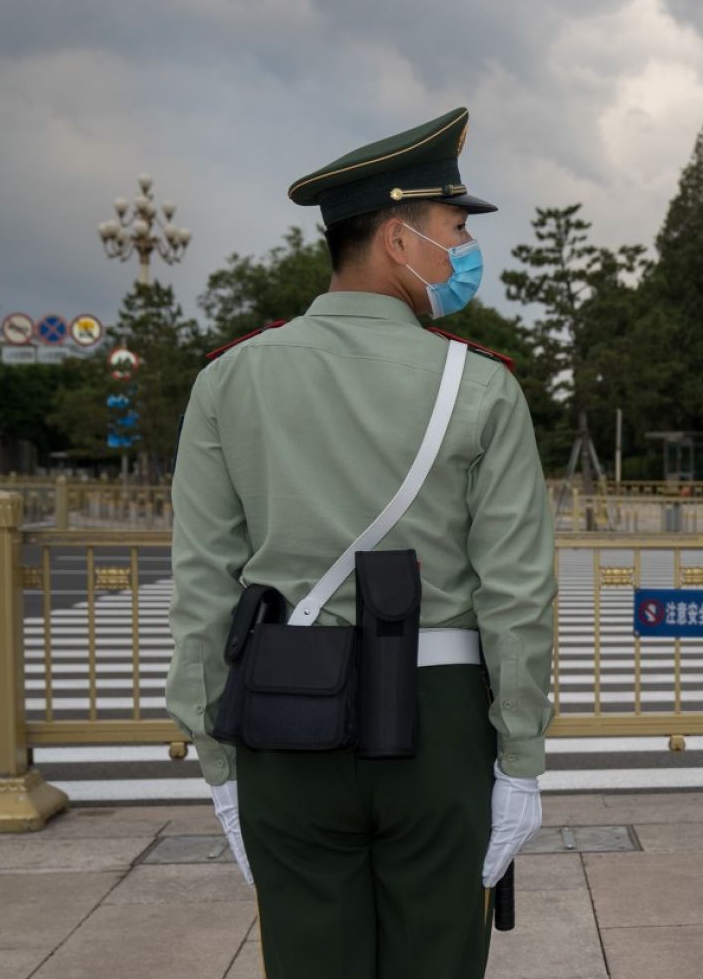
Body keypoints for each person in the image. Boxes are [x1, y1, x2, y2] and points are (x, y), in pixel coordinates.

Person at [166, 107, 555, 978]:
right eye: (456, 229)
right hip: (441, 722)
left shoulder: (230, 378)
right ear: (396, 237)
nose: (465, 251)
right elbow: (517, 594)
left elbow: (202, 587)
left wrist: (215, 758)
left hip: (282, 718)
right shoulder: (482, 386)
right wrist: (521, 753)